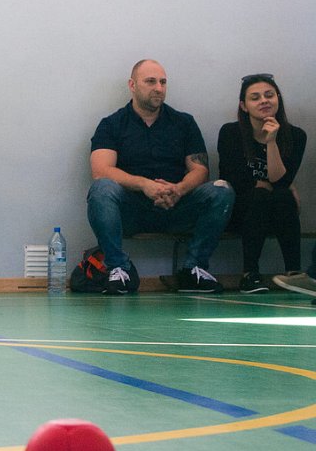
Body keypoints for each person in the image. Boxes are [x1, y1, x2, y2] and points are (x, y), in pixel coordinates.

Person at [87, 59, 234, 294]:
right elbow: (101, 170)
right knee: (101, 188)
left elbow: (200, 170)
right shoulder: (112, 124)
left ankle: (193, 270)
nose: (158, 88)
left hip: (177, 206)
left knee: (221, 189)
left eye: (163, 82)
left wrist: (179, 189)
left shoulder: (184, 122)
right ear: (132, 85)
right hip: (132, 210)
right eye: (151, 81)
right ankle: (119, 269)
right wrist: (144, 185)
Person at [217, 74, 307, 293]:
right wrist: (266, 185)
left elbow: (281, 182)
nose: (264, 101)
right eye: (255, 98)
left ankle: (294, 273)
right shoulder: (230, 133)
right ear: (244, 106)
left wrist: (271, 142)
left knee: (283, 195)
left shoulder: (296, 136)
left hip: (277, 210)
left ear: (278, 99)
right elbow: (234, 179)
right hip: (240, 212)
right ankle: (249, 275)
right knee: (260, 196)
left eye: (269, 95)